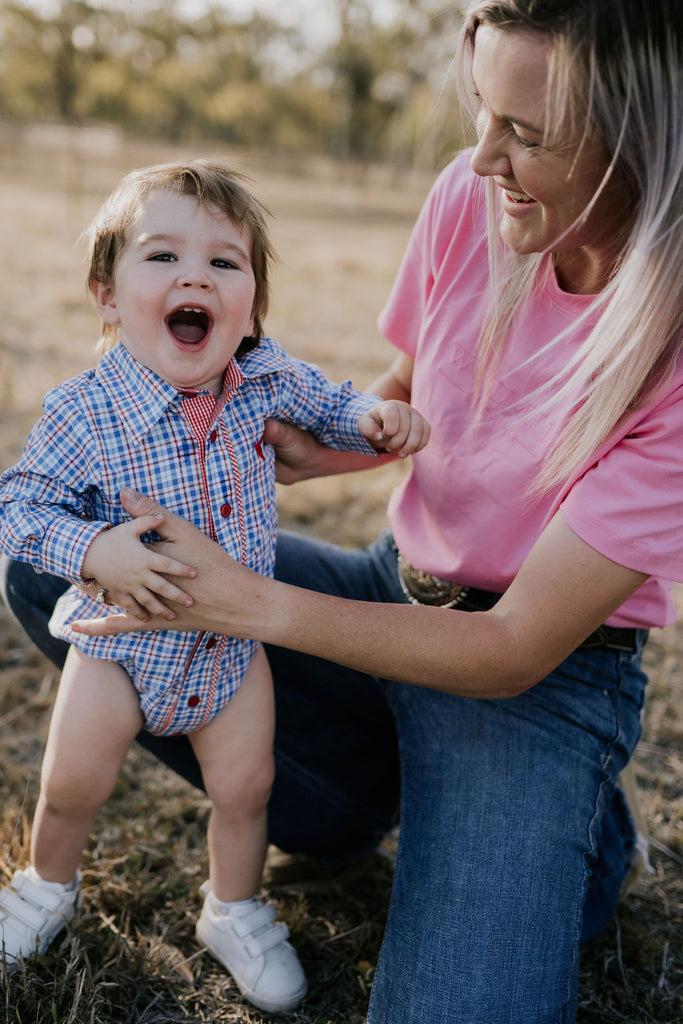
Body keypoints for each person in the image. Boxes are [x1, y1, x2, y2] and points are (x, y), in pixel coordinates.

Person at [1, 0, 680, 1021]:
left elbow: (509, 649)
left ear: (640, 143)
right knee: (62, 564)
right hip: (389, 577)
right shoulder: (470, 196)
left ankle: (571, 836)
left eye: (526, 135)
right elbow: (402, 389)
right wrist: (318, 448)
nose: (480, 157)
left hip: (532, 677)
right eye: (480, 112)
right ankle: (379, 800)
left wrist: (246, 602)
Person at [0, 160, 430, 1013]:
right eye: (161, 257)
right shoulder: (84, 411)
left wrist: (381, 421)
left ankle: (231, 910)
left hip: (230, 649)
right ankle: (45, 886)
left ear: (250, 309)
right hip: (119, 644)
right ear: (108, 296)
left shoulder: (264, 378)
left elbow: (334, 405)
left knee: (247, 790)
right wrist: (93, 550)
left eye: (224, 263)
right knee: (73, 783)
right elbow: (16, 506)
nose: (195, 275)